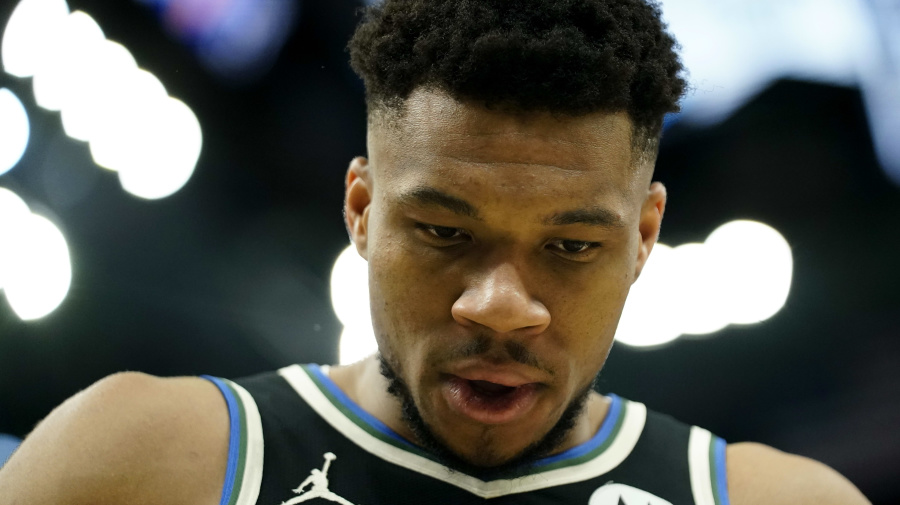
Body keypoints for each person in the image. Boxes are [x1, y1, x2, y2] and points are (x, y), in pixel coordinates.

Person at [0, 0, 871, 504]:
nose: (497, 303)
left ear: (644, 237)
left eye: (570, 245)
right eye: (444, 233)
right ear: (363, 210)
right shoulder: (136, 461)